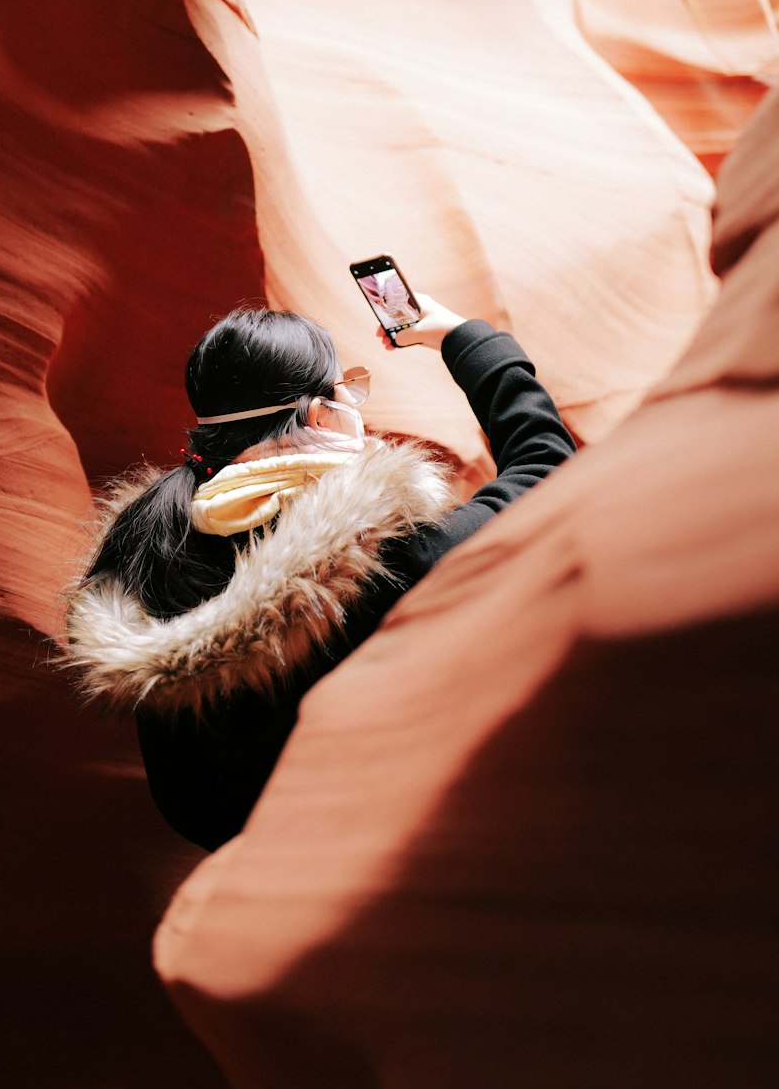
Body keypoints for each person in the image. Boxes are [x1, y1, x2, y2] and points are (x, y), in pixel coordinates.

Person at [62, 295, 576, 851]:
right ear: (319, 413)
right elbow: (547, 465)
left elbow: (193, 807)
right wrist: (460, 335)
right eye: (348, 390)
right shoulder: (387, 559)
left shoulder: (150, 563)